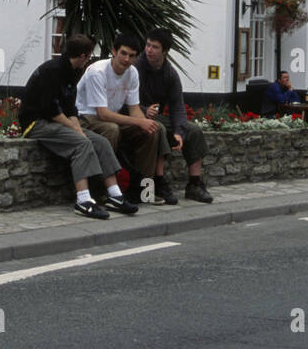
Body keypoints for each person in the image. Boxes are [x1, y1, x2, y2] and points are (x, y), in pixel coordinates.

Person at [19, 34, 137, 219]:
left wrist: (79, 129)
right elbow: (50, 109)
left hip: (56, 120)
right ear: (82, 56)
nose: (89, 60)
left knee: (100, 142)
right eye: (89, 56)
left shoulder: (72, 72)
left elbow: (70, 107)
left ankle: (115, 195)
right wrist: (75, 130)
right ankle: (83, 201)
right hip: (37, 124)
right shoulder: (52, 70)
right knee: (82, 144)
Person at [76, 34, 168, 203]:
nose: (126, 59)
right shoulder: (97, 72)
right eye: (123, 53)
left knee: (154, 129)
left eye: (132, 56)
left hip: (111, 118)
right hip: (86, 117)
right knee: (111, 129)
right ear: (113, 51)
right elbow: (102, 114)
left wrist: (145, 124)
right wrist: (139, 121)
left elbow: (134, 109)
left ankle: (144, 190)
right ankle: (102, 191)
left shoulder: (132, 73)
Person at [135, 27, 213, 203]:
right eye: (147, 45)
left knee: (193, 130)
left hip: (156, 117)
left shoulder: (170, 73)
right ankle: (158, 182)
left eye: (154, 47)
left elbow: (177, 106)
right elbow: (124, 100)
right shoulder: (136, 68)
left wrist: (179, 131)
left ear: (165, 51)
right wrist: (144, 109)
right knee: (159, 128)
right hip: (134, 116)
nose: (149, 50)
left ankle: (194, 184)